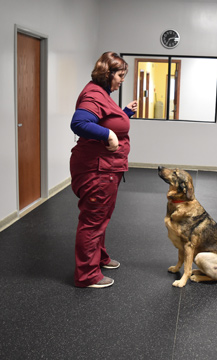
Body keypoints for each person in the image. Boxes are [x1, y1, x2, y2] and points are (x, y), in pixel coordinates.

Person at [70, 52, 137, 288]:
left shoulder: (102, 94)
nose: (122, 80)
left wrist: (125, 113)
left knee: (101, 217)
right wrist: (108, 134)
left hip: (106, 168)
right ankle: (87, 275)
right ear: (107, 73)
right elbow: (79, 123)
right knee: (93, 220)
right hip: (96, 170)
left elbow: (103, 119)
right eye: (120, 75)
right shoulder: (93, 94)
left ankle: (99, 258)